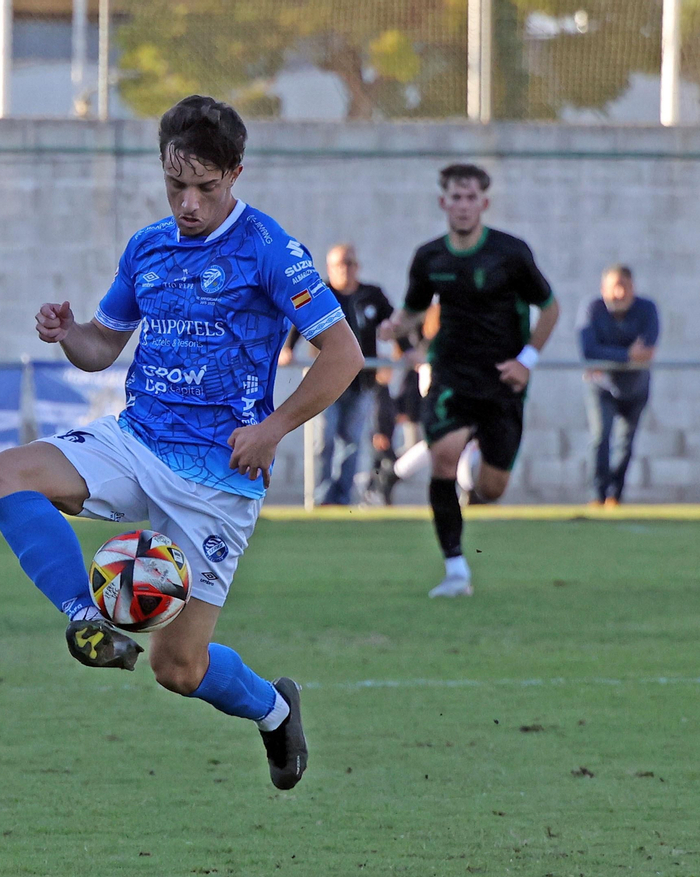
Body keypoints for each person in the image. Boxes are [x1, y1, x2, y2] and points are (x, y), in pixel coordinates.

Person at [0, 95, 363, 790]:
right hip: (137, 438)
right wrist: (69, 333)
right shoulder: (148, 246)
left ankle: (275, 712)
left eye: (204, 189)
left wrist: (274, 429)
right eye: (175, 185)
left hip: (217, 477)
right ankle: (87, 616)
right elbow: (102, 346)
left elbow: (343, 356)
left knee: (177, 669)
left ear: (235, 174)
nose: (188, 203)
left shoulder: (270, 249)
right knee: (8, 473)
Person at [380, 163, 559, 598]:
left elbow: (550, 308)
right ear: (443, 203)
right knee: (443, 457)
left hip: (502, 380)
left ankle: (467, 507)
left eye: (470, 197)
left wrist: (526, 360)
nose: (462, 205)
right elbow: (415, 308)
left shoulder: (511, 253)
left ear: (484, 203)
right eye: (454, 198)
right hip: (451, 375)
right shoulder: (429, 257)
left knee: (492, 489)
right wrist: (395, 325)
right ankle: (456, 569)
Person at [279, 244, 393, 505]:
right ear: (330, 268)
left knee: (352, 442)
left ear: (358, 266)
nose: (345, 269)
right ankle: (321, 498)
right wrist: (288, 348)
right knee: (324, 440)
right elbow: (299, 317)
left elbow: (395, 322)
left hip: (361, 382)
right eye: (340, 264)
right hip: (325, 381)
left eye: (350, 263)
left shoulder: (371, 295)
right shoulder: (320, 292)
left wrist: (404, 348)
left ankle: (343, 499)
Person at [578, 264, 659, 506]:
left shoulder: (647, 309)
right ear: (604, 290)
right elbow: (588, 350)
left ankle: (616, 494)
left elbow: (647, 349)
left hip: (636, 387)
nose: (621, 294)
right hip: (602, 386)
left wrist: (608, 355)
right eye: (616, 288)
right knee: (600, 438)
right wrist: (626, 355)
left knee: (627, 443)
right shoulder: (592, 309)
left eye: (626, 287)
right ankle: (598, 494)